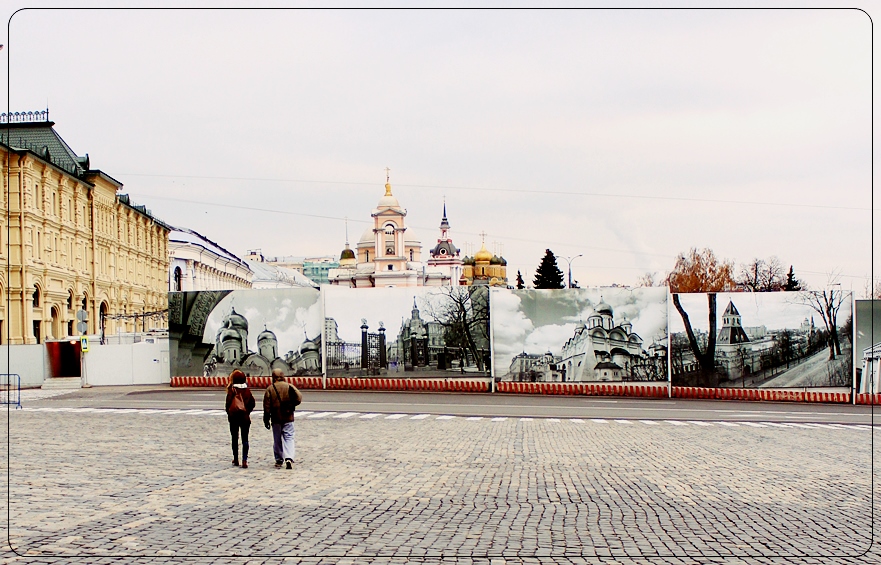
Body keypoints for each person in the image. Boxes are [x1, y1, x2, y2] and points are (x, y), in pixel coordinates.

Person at [263, 368, 302, 469]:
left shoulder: (270, 389)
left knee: (277, 439)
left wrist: (266, 419)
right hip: (288, 416)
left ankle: (279, 459)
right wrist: (291, 405)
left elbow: (266, 407)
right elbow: (299, 398)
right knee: (289, 437)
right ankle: (289, 457)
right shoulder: (289, 386)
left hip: (276, 418)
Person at [225, 369, 256, 468]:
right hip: (245, 418)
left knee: (234, 438)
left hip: (234, 418)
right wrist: (247, 412)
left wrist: (230, 413)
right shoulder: (247, 391)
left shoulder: (232, 390)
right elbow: (252, 403)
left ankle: (236, 458)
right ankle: (244, 460)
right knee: (245, 439)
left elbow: (228, 404)